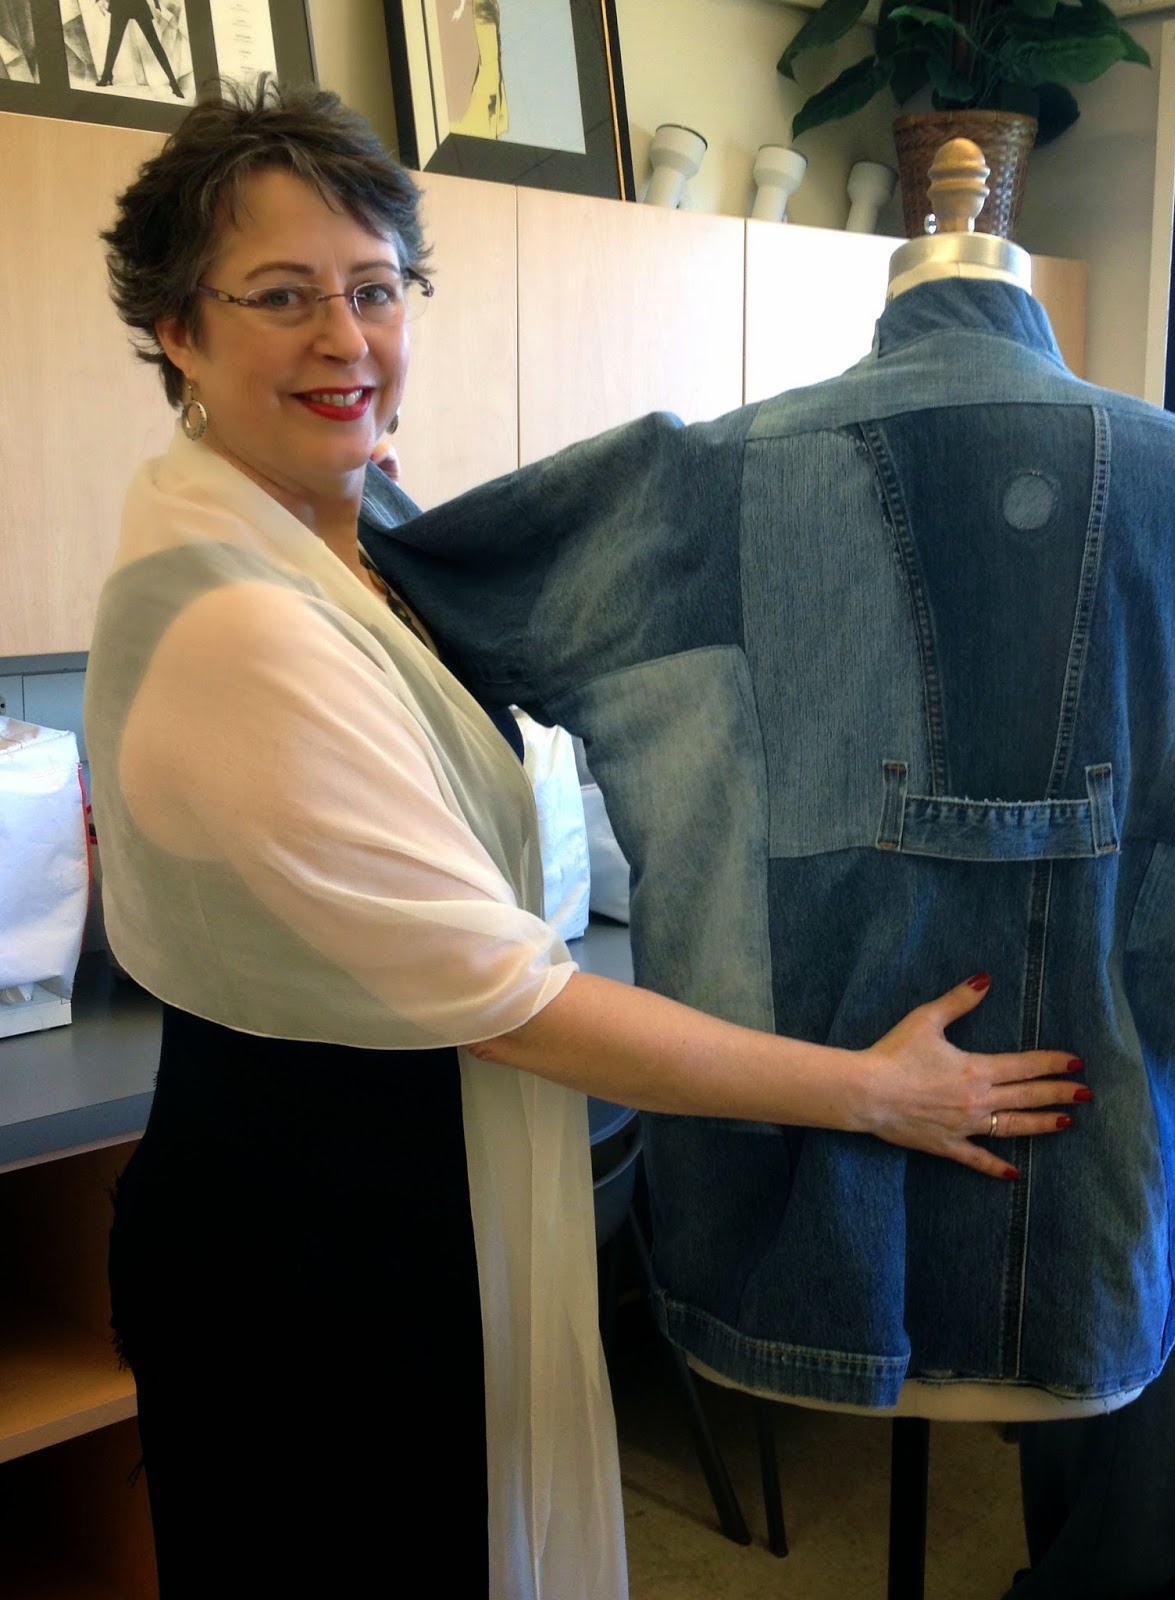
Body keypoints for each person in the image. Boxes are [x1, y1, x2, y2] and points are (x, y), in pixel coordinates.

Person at [83, 82, 1086, 1599]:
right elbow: (518, 1003)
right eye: (281, 297)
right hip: (317, 1242)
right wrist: (867, 1091)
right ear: (177, 330)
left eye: (374, 290)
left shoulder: (378, 541)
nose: (346, 340)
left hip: (405, 1193)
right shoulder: (239, 619)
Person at [94, 0, 183, 96]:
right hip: (120, 4)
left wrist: (157, 5)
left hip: (136, 4)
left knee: (154, 43)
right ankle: (106, 75)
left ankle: (173, 82)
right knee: (114, 41)